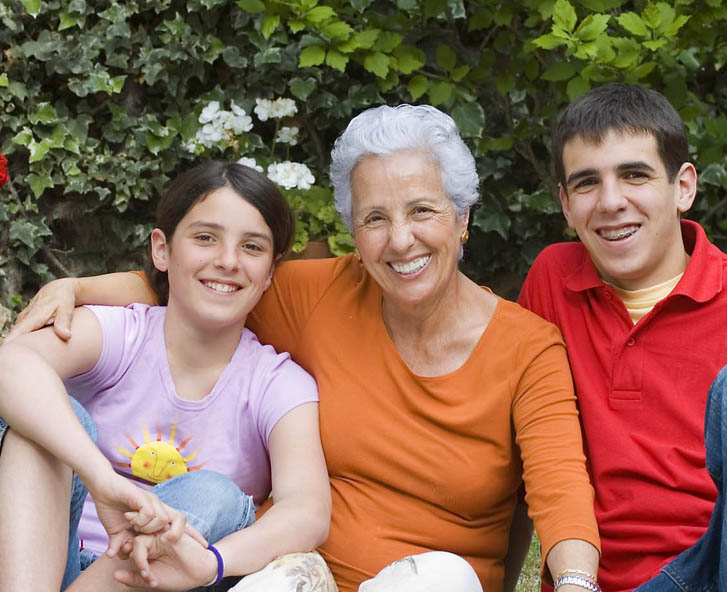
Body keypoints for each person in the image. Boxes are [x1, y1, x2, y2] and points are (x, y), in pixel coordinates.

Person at [8, 105, 602, 592]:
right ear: (353, 233)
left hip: (428, 584)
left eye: (422, 210)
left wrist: (575, 583)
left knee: (442, 578)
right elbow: (188, 292)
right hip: (289, 578)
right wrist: (76, 287)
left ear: (463, 218)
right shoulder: (316, 292)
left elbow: (562, 493)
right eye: (374, 218)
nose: (400, 240)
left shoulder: (527, 348)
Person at [516, 83, 727, 591]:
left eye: (634, 175)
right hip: (609, 581)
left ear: (683, 187)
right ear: (564, 203)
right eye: (586, 183)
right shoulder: (553, 282)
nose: (610, 202)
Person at [0, 161, 330, 591]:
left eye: (252, 247)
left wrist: (212, 564)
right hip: (37, 560)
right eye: (206, 238)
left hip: (159, 579)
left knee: (214, 494)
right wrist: (101, 478)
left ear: (270, 272)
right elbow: (11, 363)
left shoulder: (278, 383)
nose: (228, 261)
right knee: (43, 422)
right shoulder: (125, 333)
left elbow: (307, 509)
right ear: (162, 249)